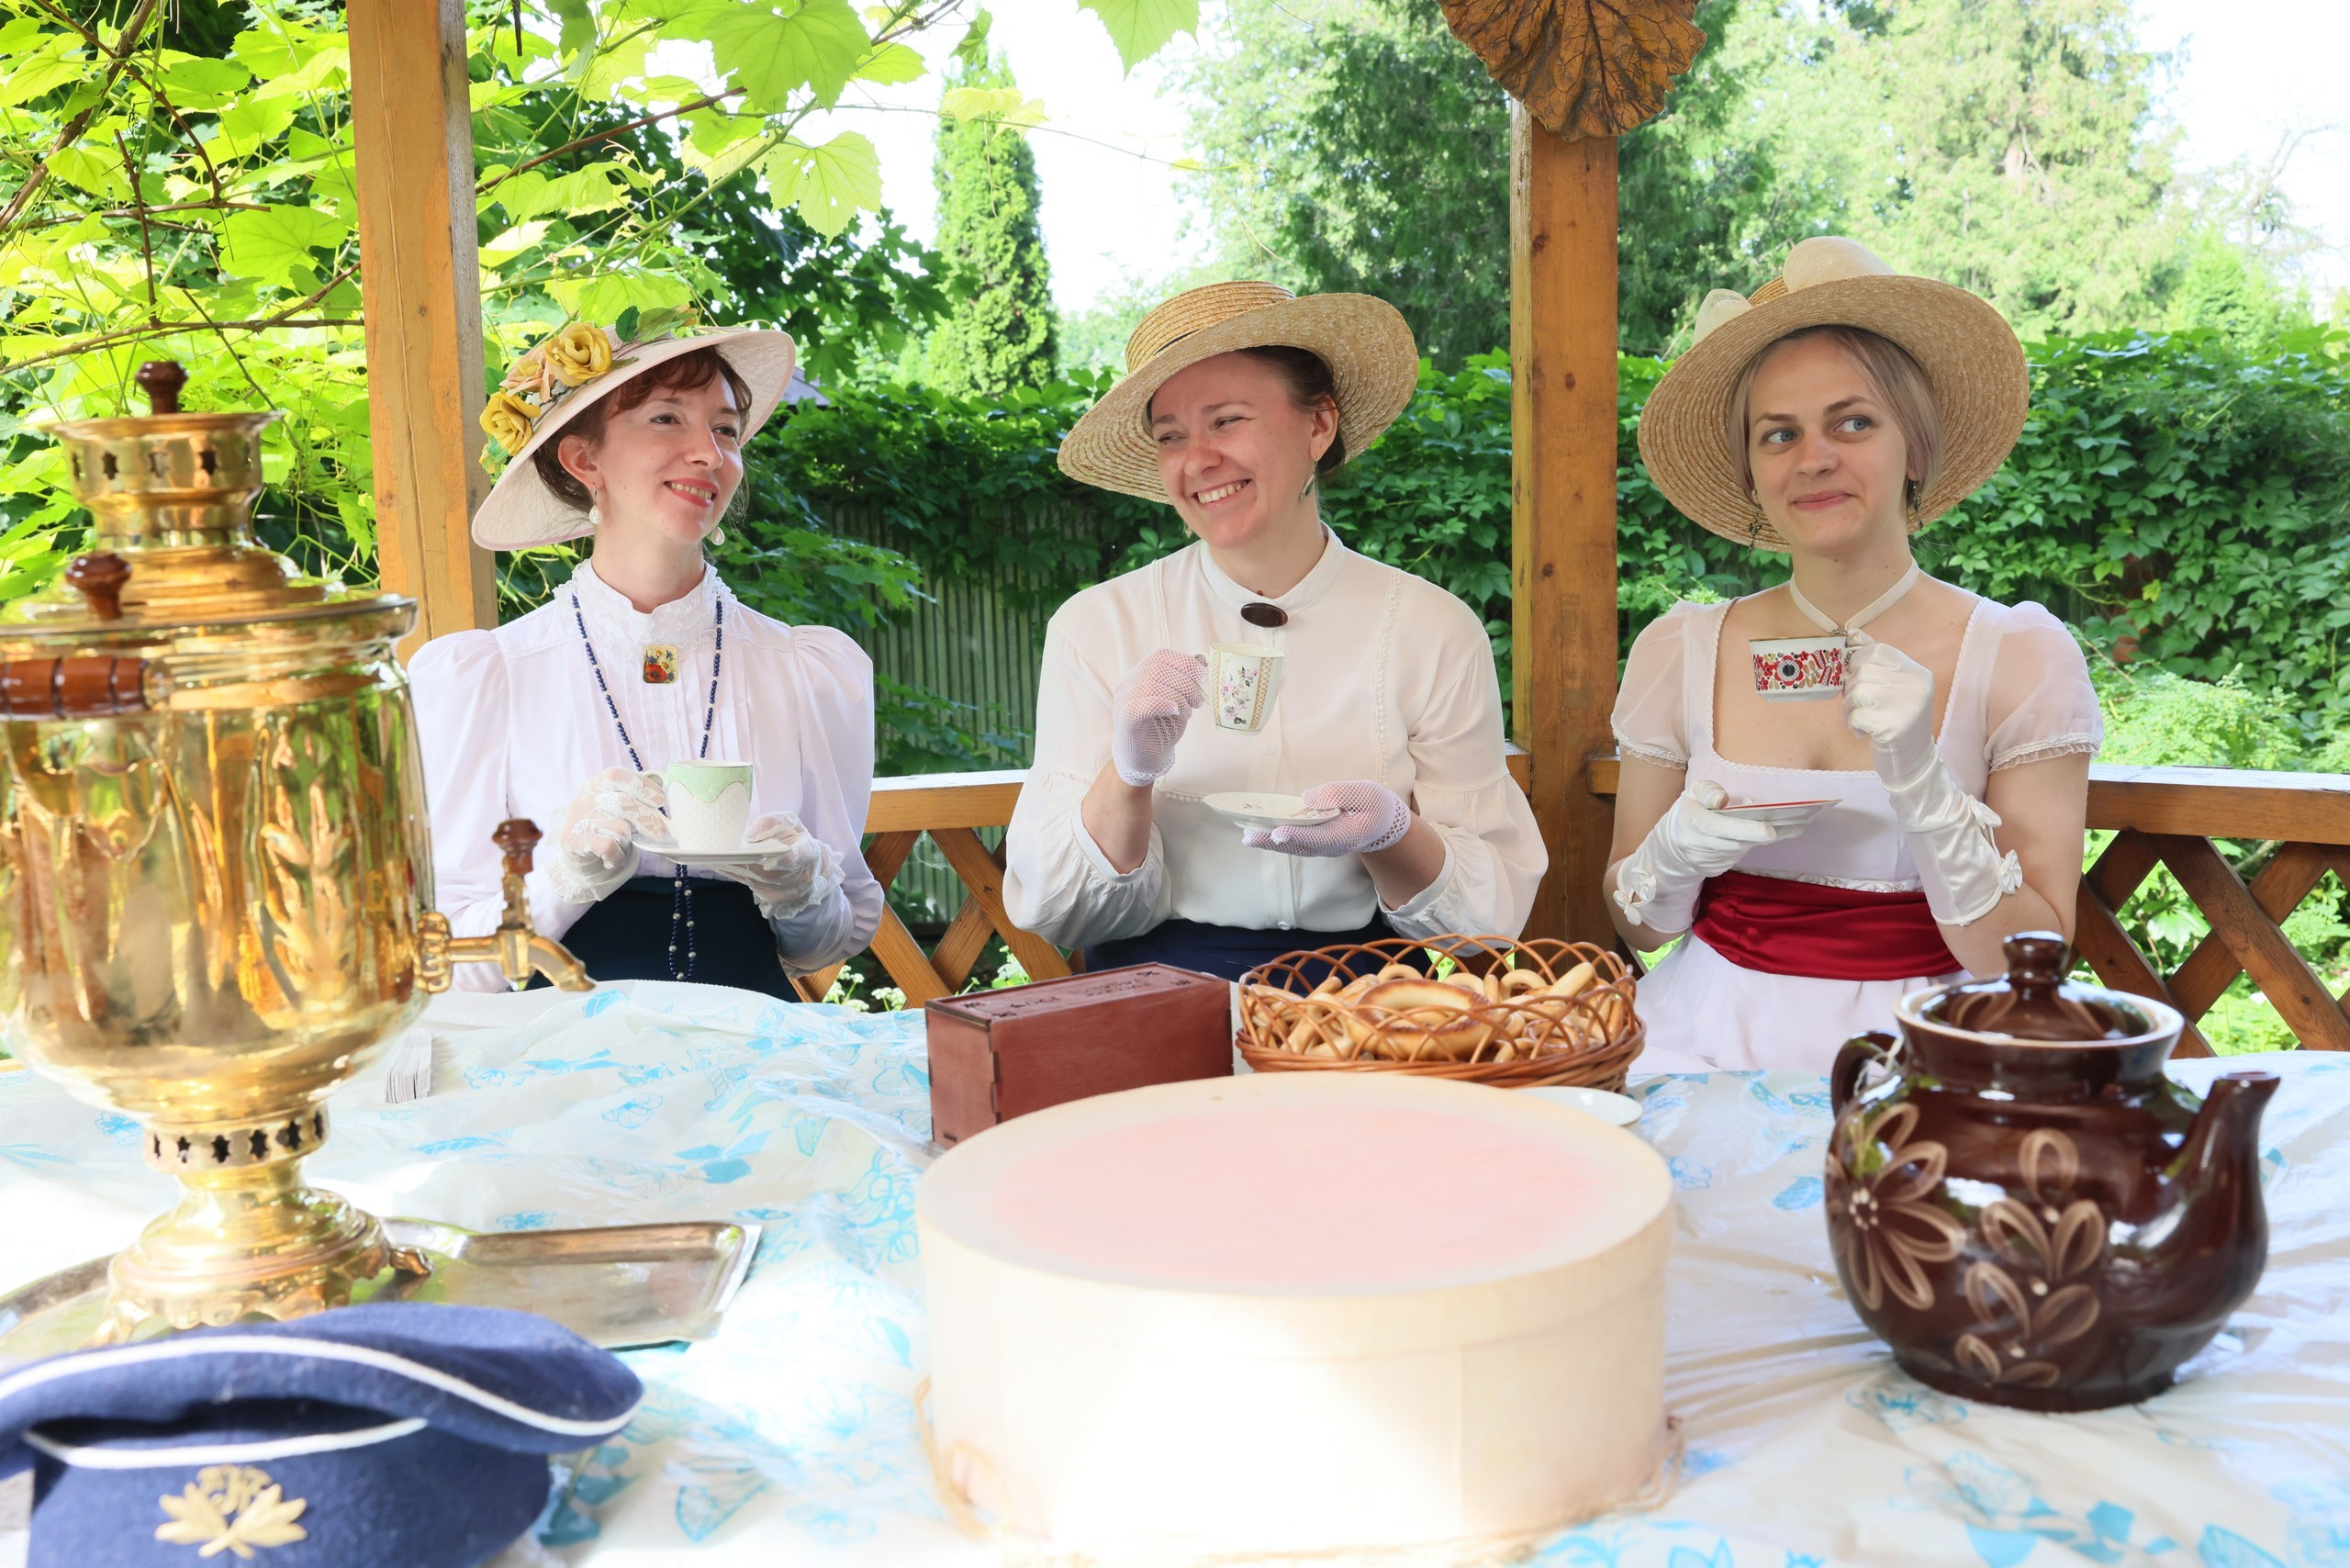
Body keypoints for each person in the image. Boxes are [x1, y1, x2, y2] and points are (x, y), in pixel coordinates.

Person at [1609, 237, 2102, 1073]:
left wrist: (1922, 780)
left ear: (1914, 444)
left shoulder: (2019, 656)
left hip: (1935, 1058)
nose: (1814, 459)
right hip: (1704, 1044)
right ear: (1752, 473)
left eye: (1853, 422)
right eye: (1778, 434)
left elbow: (2027, 955)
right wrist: (1674, 851)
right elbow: (1641, 926)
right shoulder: (1679, 649)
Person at [1003, 282, 1544, 980]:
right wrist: (1129, 773)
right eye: (1171, 436)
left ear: (1319, 426)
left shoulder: (1432, 627)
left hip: (1367, 1007)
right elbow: (1061, 911)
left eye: (1226, 420)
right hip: (1152, 1001)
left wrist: (1391, 833)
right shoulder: (1097, 625)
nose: (1197, 459)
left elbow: (1487, 924)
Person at [410, 319, 881, 997]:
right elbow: (453, 960)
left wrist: (802, 888)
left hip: (752, 1072)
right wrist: (564, 882)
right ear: (584, 461)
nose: (710, 454)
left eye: (725, 430)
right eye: (667, 419)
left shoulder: (807, 670)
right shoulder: (491, 678)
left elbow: (828, 943)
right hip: (563, 1077)